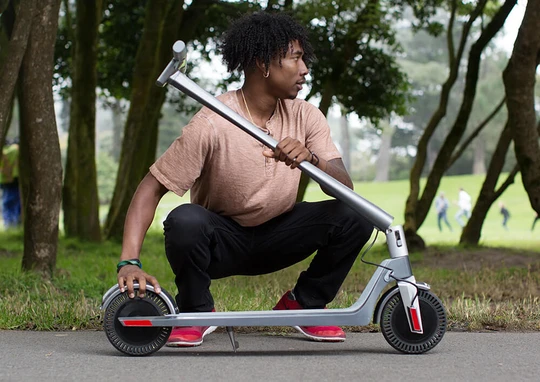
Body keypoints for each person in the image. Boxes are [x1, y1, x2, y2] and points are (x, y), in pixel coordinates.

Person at [116, 12, 373, 348]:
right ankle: (196, 309)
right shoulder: (213, 121)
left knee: (356, 214)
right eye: (295, 58)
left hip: (281, 235)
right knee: (184, 219)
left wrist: (312, 159)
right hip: (222, 243)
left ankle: (305, 304)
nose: (305, 70)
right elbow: (150, 189)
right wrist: (129, 261)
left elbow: (344, 188)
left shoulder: (306, 115)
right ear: (263, 63)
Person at [0, 138, 21, 229]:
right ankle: (15, 223)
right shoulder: (16, 150)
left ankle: (8, 223)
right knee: (16, 202)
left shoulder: (4, 151)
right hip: (16, 179)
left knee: (7, 202)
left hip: (4, 180)